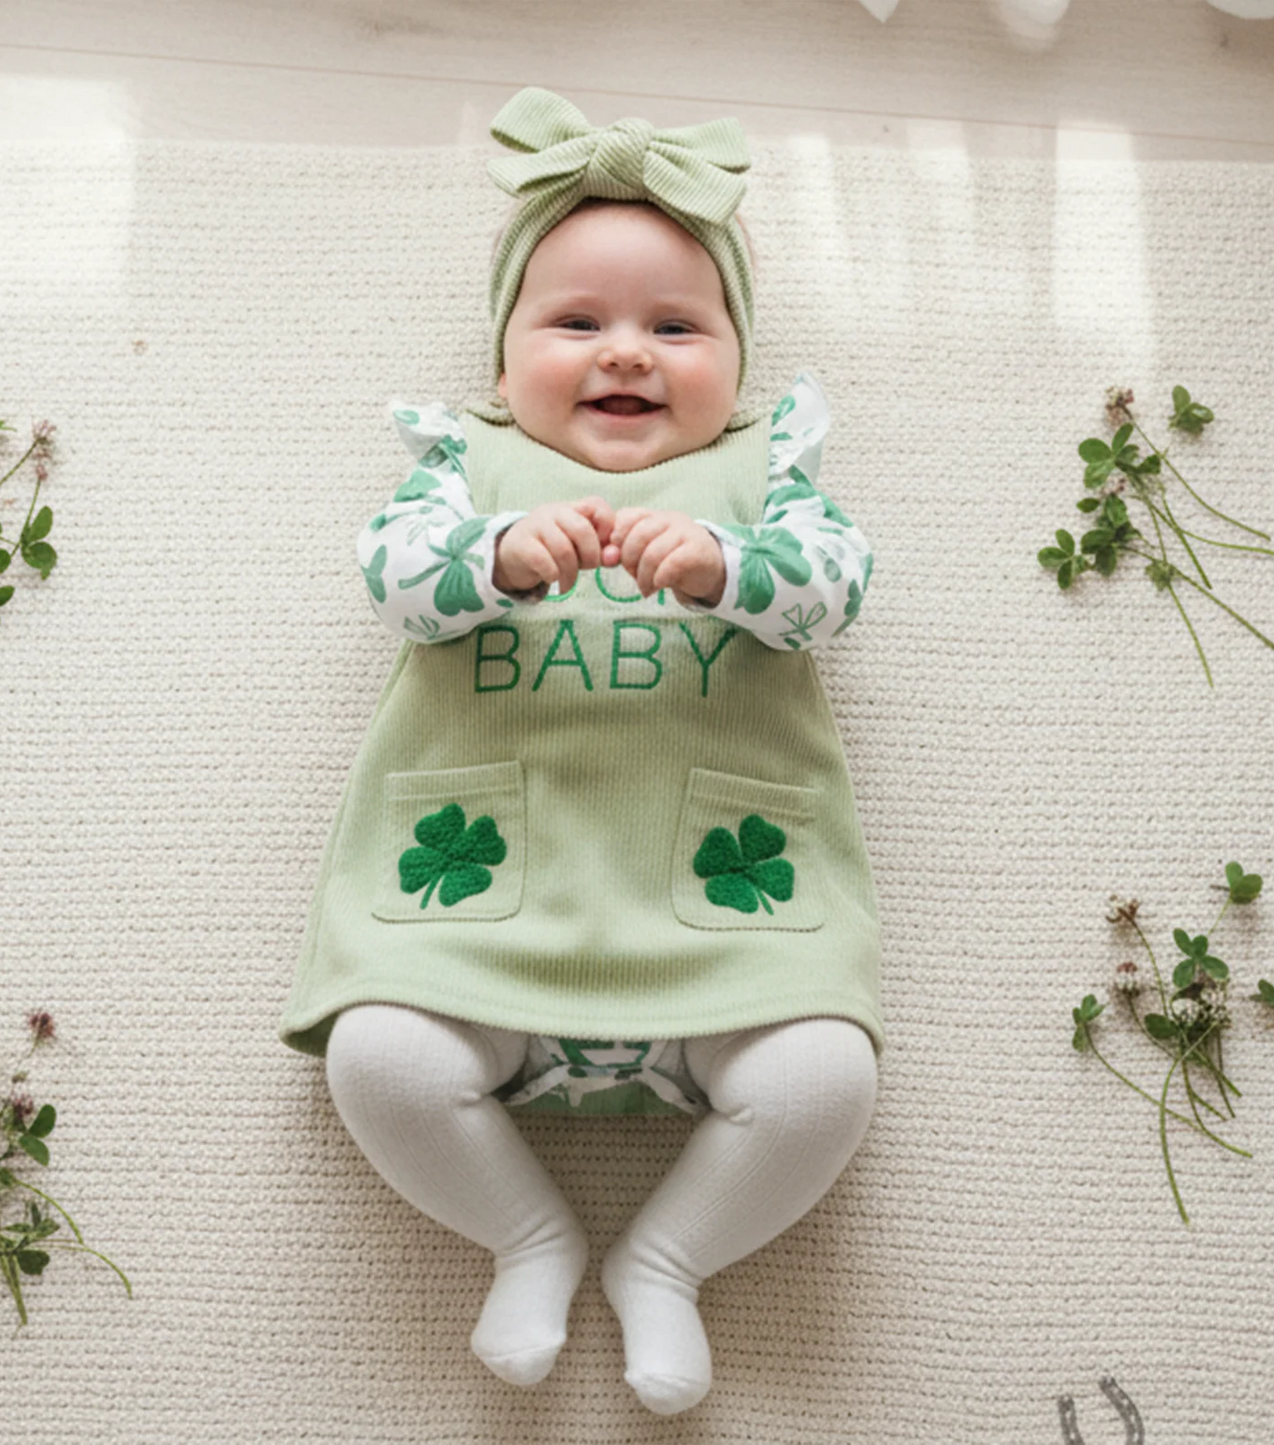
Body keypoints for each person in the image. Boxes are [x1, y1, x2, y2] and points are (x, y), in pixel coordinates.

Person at [276, 86, 884, 1417]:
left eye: (678, 325)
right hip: (479, 924)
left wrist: (732, 566)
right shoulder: (466, 468)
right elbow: (389, 575)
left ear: (736, 360)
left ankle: (668, 1258)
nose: (630, 353)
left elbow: (839, 583)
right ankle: (529, 1235)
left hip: (726, 928)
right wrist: (491, 558)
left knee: (826, 1079)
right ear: (501, 369)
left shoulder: (764, 475)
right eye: (578, 324)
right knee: (377, 1057)